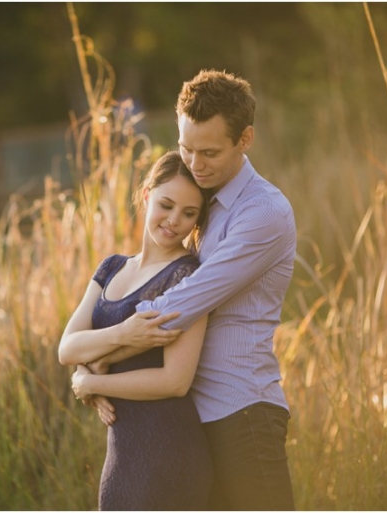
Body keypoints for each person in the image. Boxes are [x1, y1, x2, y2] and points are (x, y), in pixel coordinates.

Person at [65, 69, 297, 510]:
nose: (194, 163)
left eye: (209, 152)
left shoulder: (262, 213)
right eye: (186, 148)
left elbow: (183, 303)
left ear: (245, 139)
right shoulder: (202, 205)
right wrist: (94, 370)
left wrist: (96, 365)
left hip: (242, 414)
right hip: (192, 421)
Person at [58, 151, 213, 511]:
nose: (174, 221)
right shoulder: (111, 268)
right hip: (123, 452)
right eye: (166, 205)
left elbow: (174, 381)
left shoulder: (187, 277)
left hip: (168, 449)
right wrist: (123, 335)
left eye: (189, 214)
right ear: (146, 195)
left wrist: (92, 383)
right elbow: (68, 348)